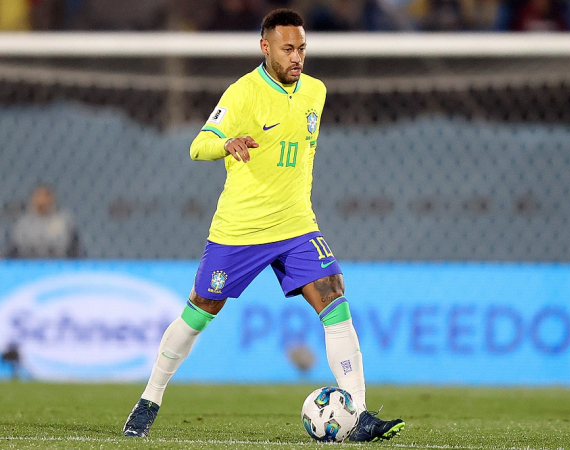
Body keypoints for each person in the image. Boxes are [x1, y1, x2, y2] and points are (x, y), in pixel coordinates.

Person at [122, 8, 405, 442]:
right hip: (241, 229)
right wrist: (226, 143)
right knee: (200, 310)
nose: (297, 57)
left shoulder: (316, 92)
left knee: (335, 299)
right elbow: (198, 146)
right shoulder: (243, 93)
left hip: (295, 225)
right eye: (288, 49)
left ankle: (359, 414)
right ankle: (149, 399)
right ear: (265, 47)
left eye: (302, 48)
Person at [6, 184, 81, 259]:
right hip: (27, 265)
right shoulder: (22, 224)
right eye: (38, 196)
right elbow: (12, 250)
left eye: (46, 196)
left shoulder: (64, 222)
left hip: (58, 264)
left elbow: (75, 249)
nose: (42, 200)